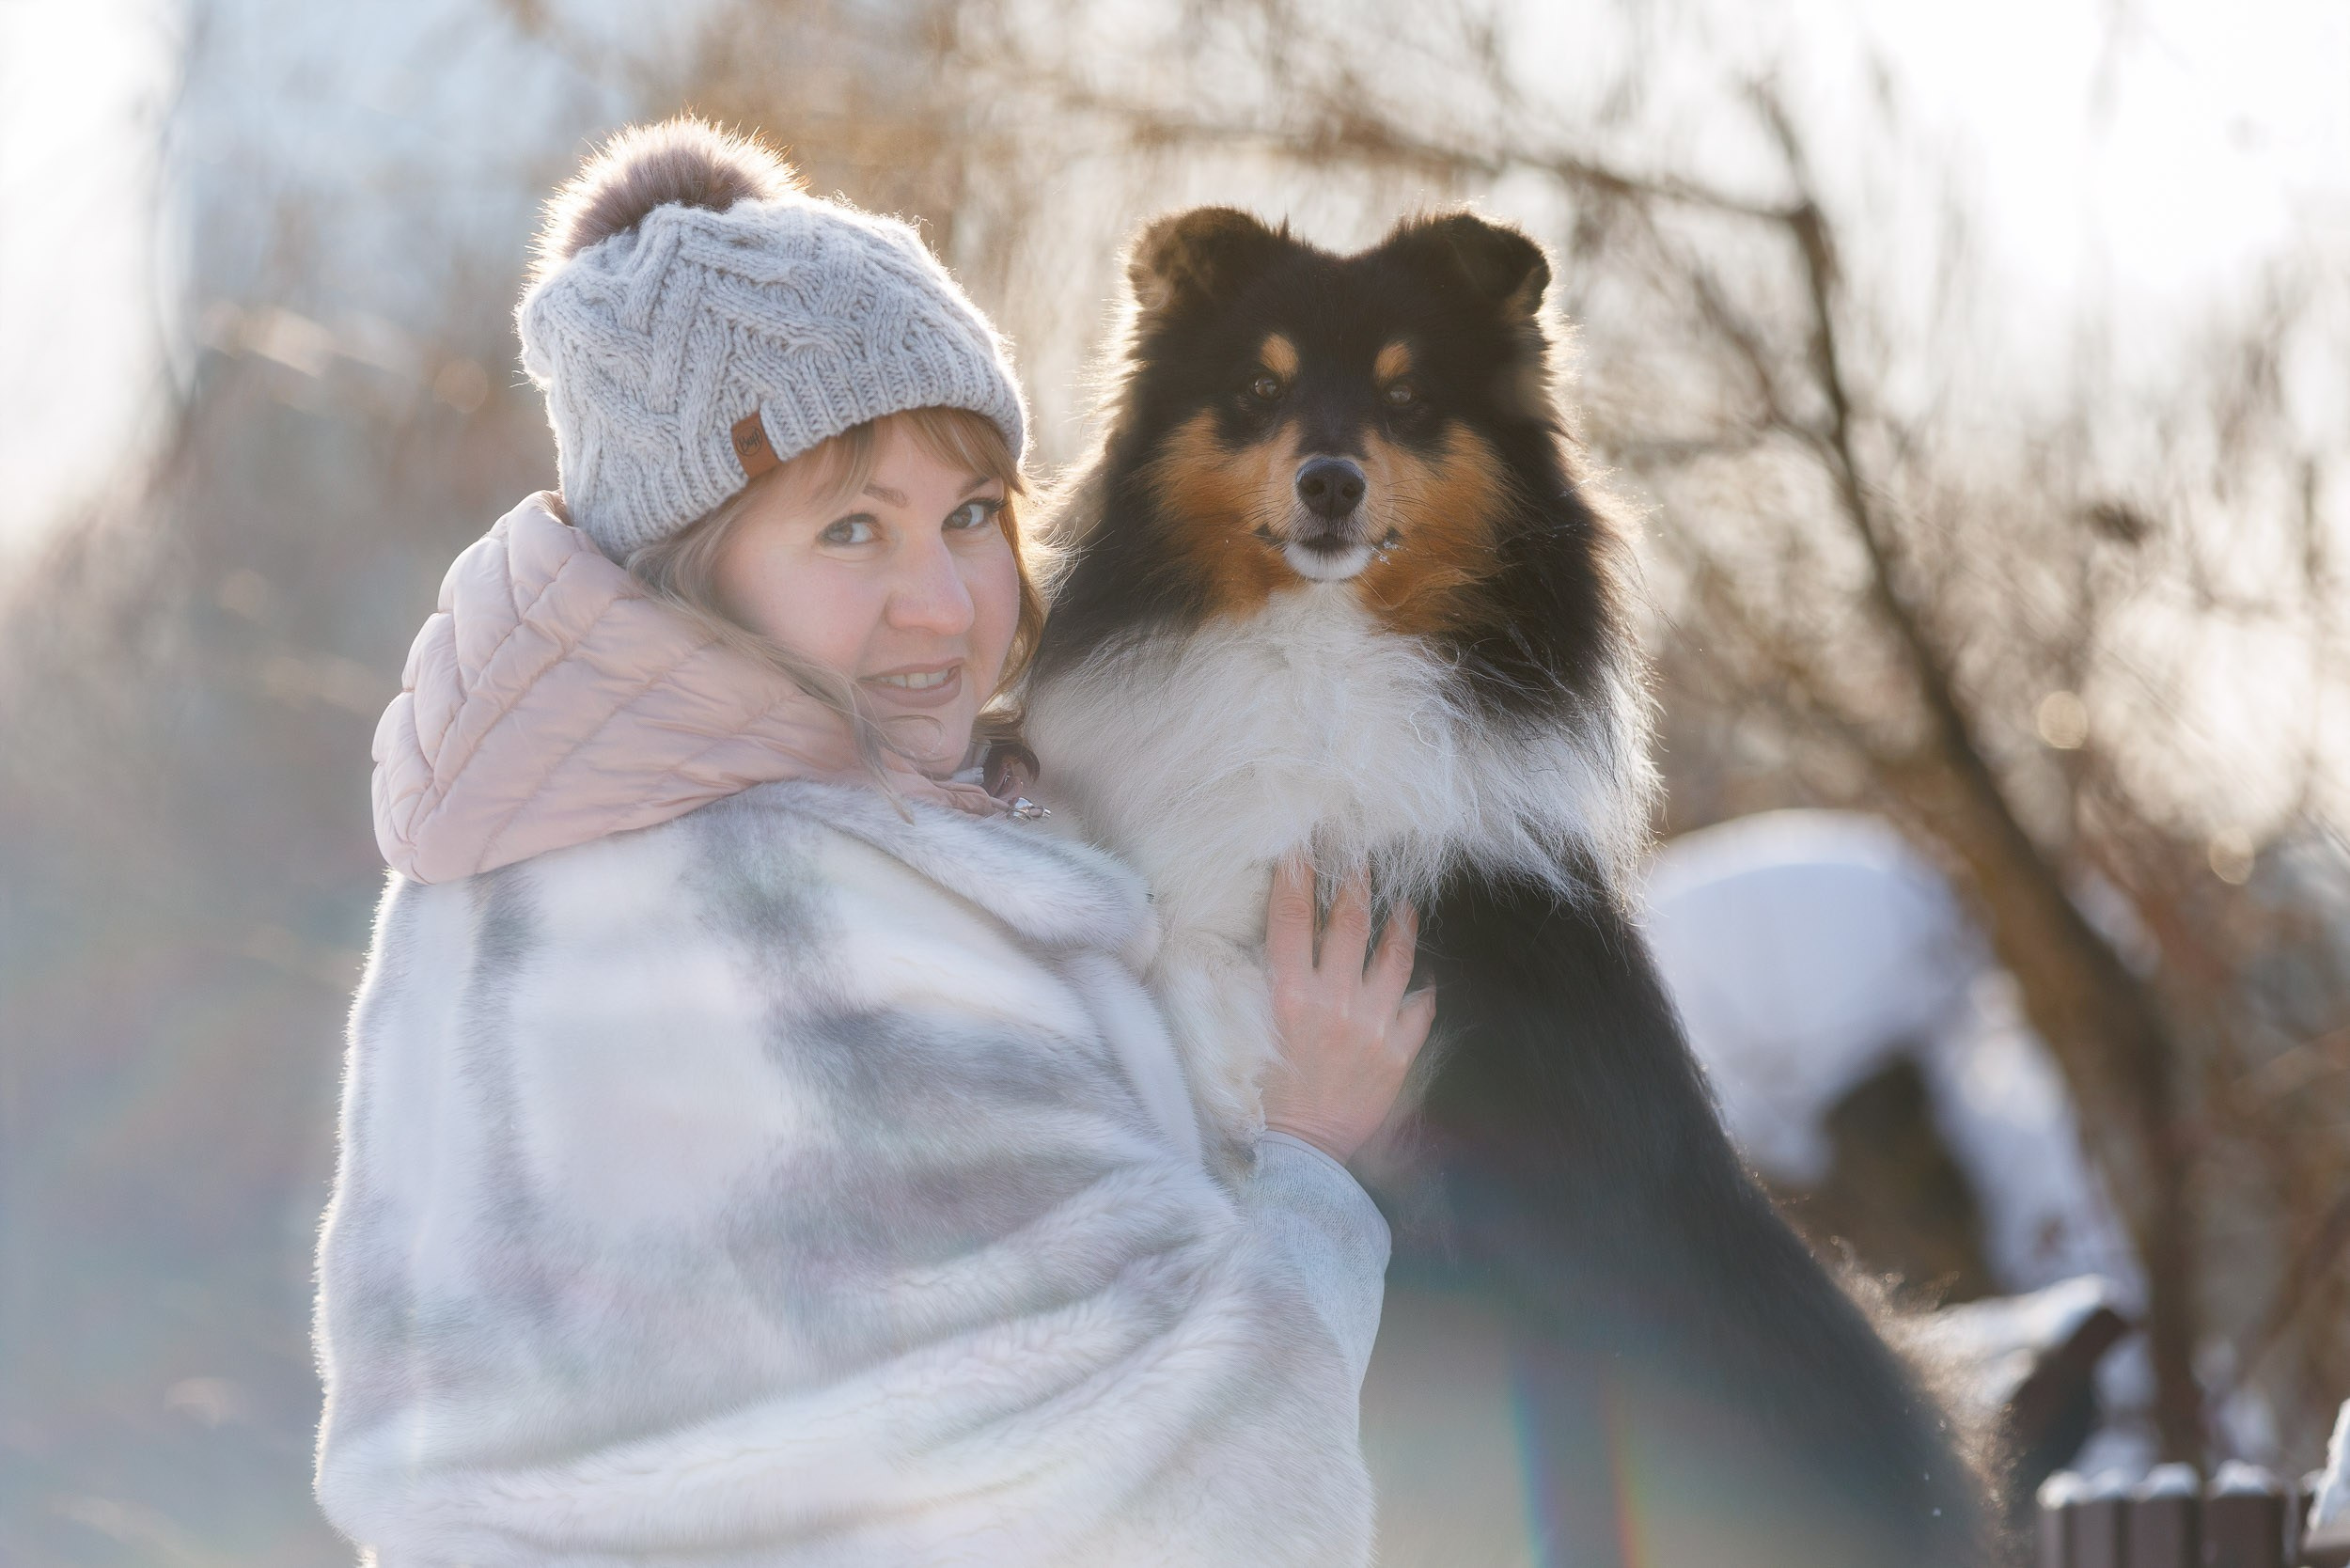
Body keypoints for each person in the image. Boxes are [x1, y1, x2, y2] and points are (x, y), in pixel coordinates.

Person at [311, 118, 1434, 1567]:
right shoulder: (789, 928)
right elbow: (1190, 1492)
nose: (945, 605)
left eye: (971, 514)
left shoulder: (534, 853)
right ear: (690, 568)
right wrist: (1316, 1173)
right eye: (851, 531)